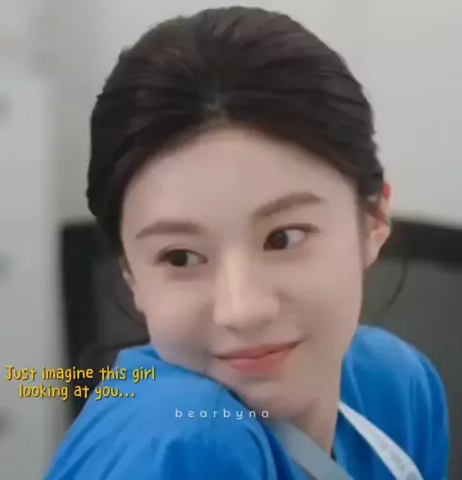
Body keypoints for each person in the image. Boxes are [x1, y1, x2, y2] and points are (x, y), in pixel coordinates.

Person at [45, 6, 449, 479]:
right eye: (180, 257)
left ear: (373, 220)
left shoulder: (395, 385)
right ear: (131, 274)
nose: (242, 310)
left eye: (283, 238)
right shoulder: (186, 442)